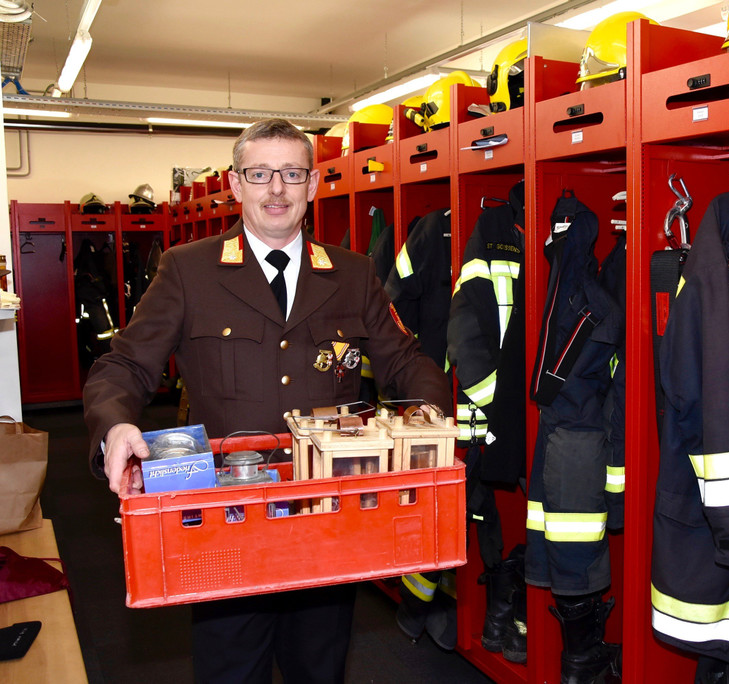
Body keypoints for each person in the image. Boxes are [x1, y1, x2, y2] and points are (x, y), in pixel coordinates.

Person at [83, 118, 452, 683]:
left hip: (326, 514)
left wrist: (430, 414)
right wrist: (115, 427)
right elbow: (124, 365)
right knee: (231, 669)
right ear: (236, 184)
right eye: (259, 174)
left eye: (291, 173)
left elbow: (404, 360)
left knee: (319, 668)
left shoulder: (353, 274)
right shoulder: (188, 269)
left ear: (313, 184)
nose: (276, 189)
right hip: (227, 517)